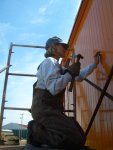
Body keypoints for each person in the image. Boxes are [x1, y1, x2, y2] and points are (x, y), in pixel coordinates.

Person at [28, 36, 100, 149]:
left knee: (80, 137)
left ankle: (41, 131)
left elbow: (79, 77)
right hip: (44, 110)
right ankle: (35, 131)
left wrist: (94, 65)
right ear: (54, 47)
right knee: (76, 139)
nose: (66, 48)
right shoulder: (49, 62)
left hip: (52, 110)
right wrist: (70, 73)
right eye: (63, 46)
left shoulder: (57, 66)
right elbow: (54, 88)